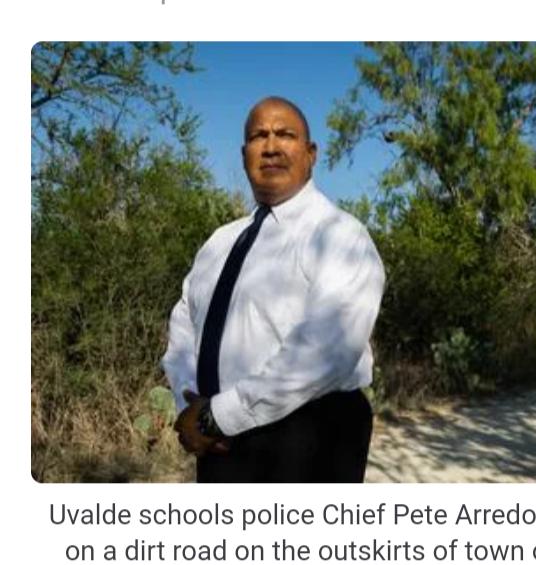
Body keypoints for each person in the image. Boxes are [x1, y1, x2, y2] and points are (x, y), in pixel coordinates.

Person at [162, 96, 385, 482]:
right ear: (244, 152)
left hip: (309, 438)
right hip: (216, 440)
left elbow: (324, 353)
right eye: (258, 136)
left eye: (285, 135)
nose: (271, 146)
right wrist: (191, 405)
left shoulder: (341, 236)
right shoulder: (219, 242)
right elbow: (184, 322)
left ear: (310, 152)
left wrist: (220, 415)